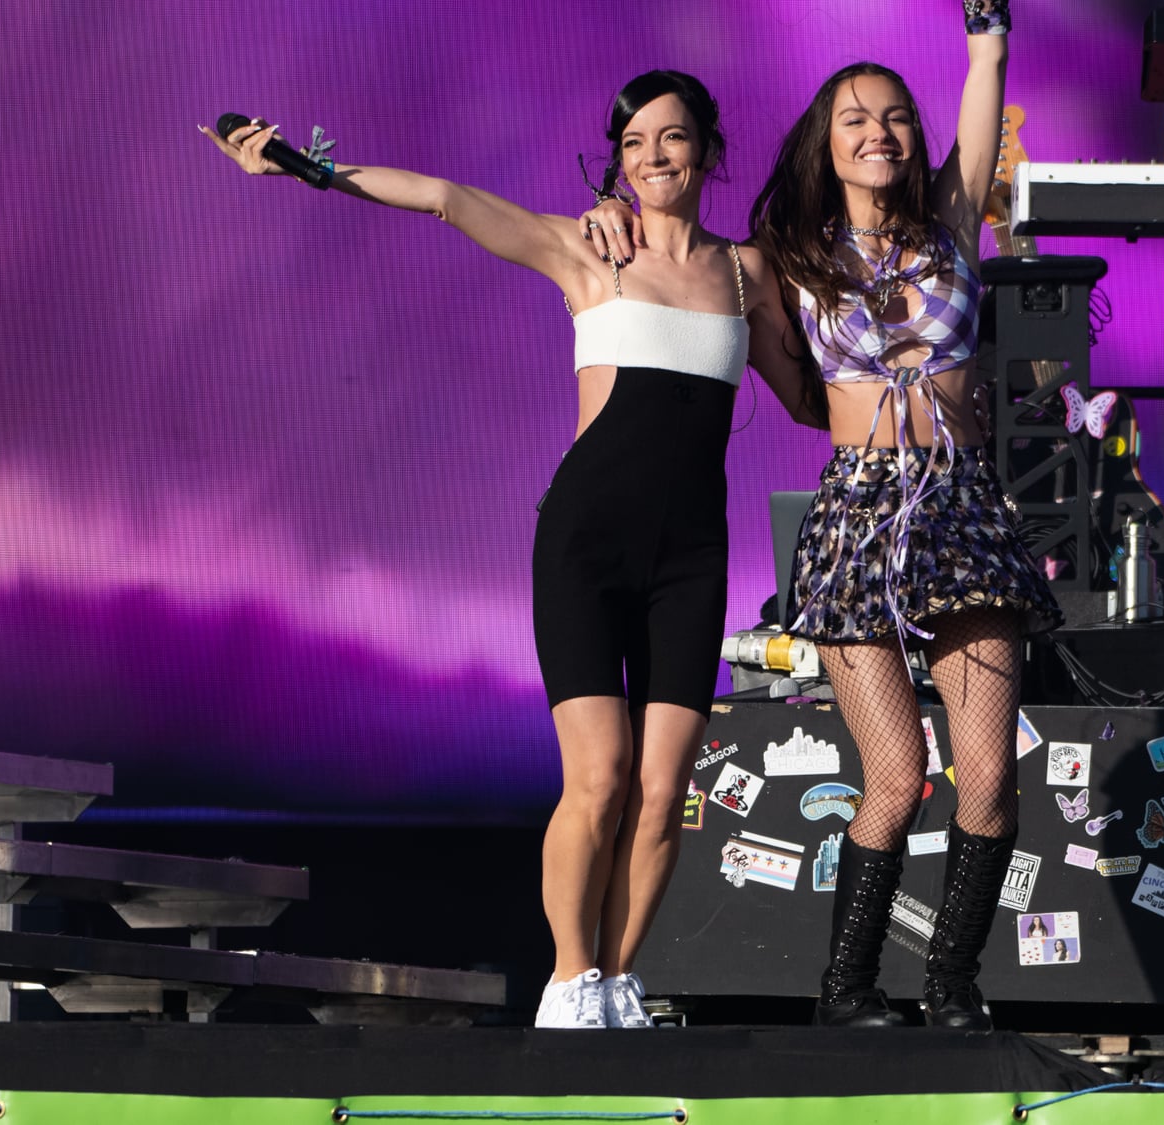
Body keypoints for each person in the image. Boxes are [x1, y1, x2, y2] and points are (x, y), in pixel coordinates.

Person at [202, 71, 811, 1030]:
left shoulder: (745, 273)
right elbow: (447, 200)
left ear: (709, 150)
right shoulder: (587, 248)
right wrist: (307, 170)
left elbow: (814, 400)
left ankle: (617, 979)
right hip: (584, 545)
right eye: (636, 143)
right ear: (616, 158)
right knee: (601, 777)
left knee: (664, 793)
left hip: (693, 558)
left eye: (674, 138)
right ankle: (569, 980)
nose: (654, 158)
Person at [749, 0, 1061, 1030]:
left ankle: (952, 986)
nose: (878, 130)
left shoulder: (952, 222)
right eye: (854, 119)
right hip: (858, 511)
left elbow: (987, 58)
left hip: (962, 501)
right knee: (895, 777)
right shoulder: (787, 260)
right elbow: (789, 391)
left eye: (892, 116)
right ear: (824, 146)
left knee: (986, 776)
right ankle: (844, 994)